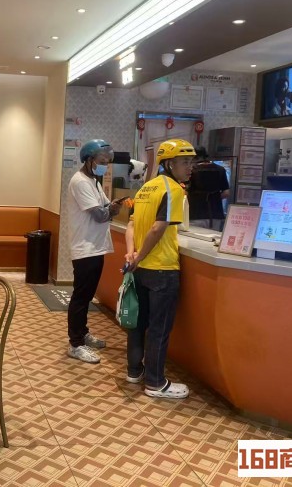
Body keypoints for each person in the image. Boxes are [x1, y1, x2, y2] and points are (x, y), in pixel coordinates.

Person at [124, 139, 195, 399]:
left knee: (138, 324)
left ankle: (134, 371)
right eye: (184, 162)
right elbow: (158, 228)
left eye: (191, 162)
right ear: (169, 164)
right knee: (159, 328)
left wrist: (132, 254)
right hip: (163, 269)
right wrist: (140, 255)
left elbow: (131, 225)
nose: (190, 167)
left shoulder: (146, 188)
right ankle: (155, 383)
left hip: (141, 269)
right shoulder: (174, 189)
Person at [65, 139, 122, 363]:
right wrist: (111, 210)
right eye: (102, 161)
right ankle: (75, 344)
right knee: (81, 297)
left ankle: (83, 333)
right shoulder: (80, 182)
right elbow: (100, 215)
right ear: (89, 159)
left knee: (87, 295)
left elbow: (105, 207)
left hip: (96, 247)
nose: (105, 166)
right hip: (85, 248)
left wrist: (112, 207)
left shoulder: (94, 182)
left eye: (107, 162)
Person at [187, 146, 230, 231]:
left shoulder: (191, 171)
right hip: (216, 214)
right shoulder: (221, 169)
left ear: (194, 157)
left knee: (194, 238)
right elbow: (226, 193)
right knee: (213, 238)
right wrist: (214, 198)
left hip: (195, 213)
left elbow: (185, 192)